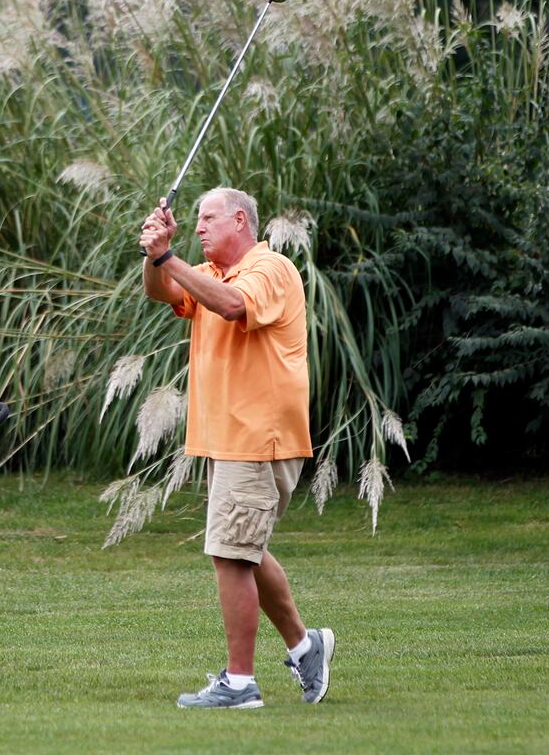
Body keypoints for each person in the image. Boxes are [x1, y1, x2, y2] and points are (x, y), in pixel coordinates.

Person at [139, 186, 334, 709]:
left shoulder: (269, 270)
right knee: (242, 549)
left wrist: (168, 257)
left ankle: (240, 684)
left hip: (259, 438)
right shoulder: (210, 273)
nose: (198, 227)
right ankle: (305, 645)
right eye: (195, 220)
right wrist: (157, 251)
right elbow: (161, 291)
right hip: (232, 439)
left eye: (208, 218)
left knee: (230, 554)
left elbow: (231, 308)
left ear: (241, 222)